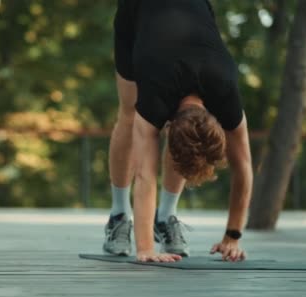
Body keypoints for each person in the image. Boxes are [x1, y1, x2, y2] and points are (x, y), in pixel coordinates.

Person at [103, 0, 253, 263]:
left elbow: (243, 167)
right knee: (128, 115)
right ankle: (119, 215)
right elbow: (145, 175)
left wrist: (233, 236)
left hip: (195, 13)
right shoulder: (154, 102)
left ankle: (165, 217)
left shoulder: (225, 91)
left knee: (189, 142)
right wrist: (145, 249)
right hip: (136, 13)